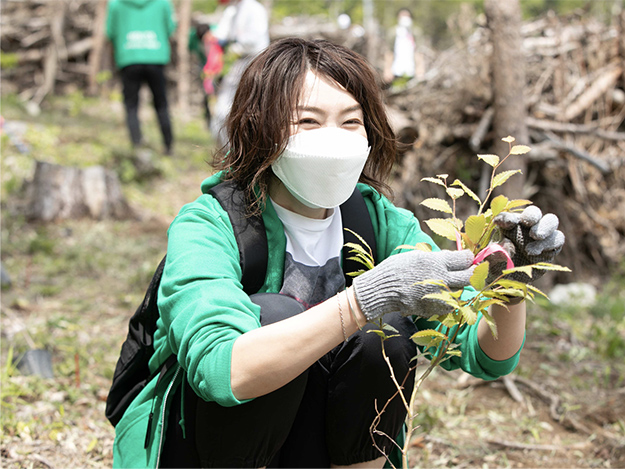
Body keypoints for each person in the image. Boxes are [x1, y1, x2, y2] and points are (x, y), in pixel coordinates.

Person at [111, 38, 565, 468]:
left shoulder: (381, 223)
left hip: (312, 443)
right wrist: (363, 300)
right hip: (208, 448)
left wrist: (507, 286)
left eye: (350, 121)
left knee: (381, 335)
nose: (334, 138)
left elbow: (484, 356)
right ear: (260, 130)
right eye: (308, 121)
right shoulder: (210, 224)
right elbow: (222, 371)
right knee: (277, 315)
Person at [106, 0, 176, 155]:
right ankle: (168, 145)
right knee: (161, 104)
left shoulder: (116, 3)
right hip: (155, 56)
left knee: (131, 105)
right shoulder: (163, 3)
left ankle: (136, 144)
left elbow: (110, 31)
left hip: (129, 57)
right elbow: (170, 27)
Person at [209, 0, 269, 144]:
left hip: (253, 61)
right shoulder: (232, 10)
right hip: (236, 62)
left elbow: (254, 38)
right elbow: (221, 33)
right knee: (224, 109)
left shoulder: (254, 9)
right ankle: (228, 150)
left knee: (250, 108)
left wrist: (236, 43)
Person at [385, 7, 421, 87]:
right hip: (396, 70)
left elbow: (418, 52)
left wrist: (420, 69)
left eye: (407, 16)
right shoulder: (393, 32)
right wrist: (387, 69)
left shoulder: (415, 32)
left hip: (411, 70)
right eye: (402, 16)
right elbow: (389, 52)